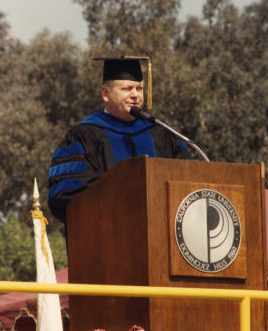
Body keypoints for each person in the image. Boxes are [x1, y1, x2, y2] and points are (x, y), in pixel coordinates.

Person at [48, 56, 190, 223]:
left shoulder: (163, 134)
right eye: (127, 88)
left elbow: (187, 185)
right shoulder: (84, 136)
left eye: (139, 88)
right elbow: (67, 196)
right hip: (108, 237)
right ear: (105, 93)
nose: (135, 95)